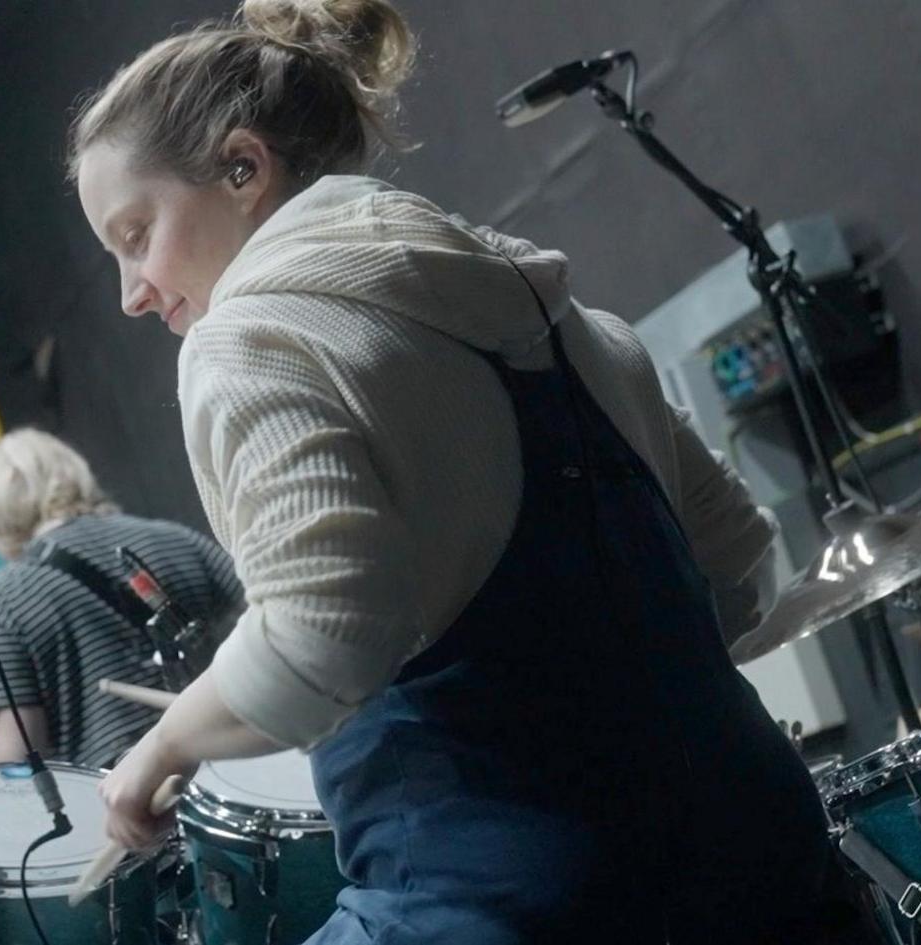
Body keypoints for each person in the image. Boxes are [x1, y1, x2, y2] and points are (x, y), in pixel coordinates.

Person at [68, 1, 835, 941]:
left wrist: (163, 746)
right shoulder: (581, 327)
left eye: (135, 233)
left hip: (508, 910)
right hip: (779, 867)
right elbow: (740, 566)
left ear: (241, 167)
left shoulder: (251, 337)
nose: (132, 293)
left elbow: (324, 645)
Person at [0, 427, 244, 770]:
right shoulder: (173, 538)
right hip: (239, 760)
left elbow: (21, 756)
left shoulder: (0, 602)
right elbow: (270, 621)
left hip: (137, 796)